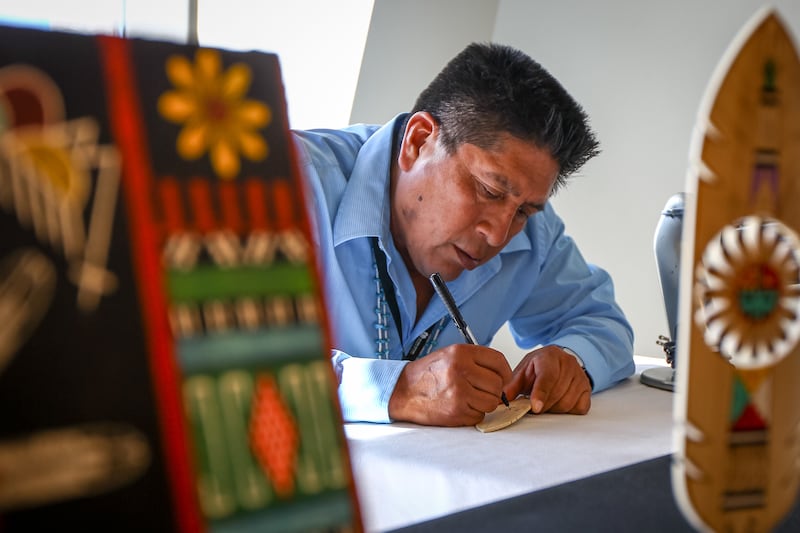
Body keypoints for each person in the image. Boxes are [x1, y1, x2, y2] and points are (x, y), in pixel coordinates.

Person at [293, 42, 635, 426]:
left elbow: (603, 324)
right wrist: (396, 389)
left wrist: (571, 360)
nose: (498, 234)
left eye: (523, 211)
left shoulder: (531, 231)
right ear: (418, 140)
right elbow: (219, 366)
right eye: (488, 191)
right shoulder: (282, 185)